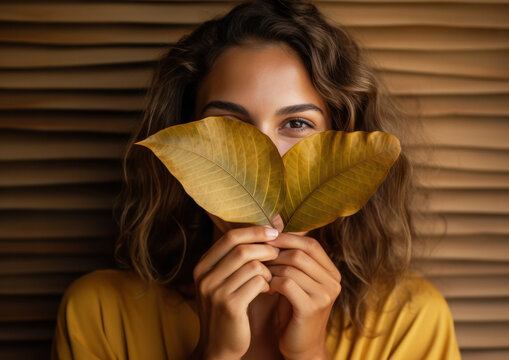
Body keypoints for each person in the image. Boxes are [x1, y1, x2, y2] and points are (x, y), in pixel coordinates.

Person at [50, 0, 461, 359]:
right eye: (229, 125)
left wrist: (312, 356)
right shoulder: (100, 313)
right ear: (186, 145)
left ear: (342, 149)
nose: (260, 159)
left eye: (296, 123)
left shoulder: (412, 319)